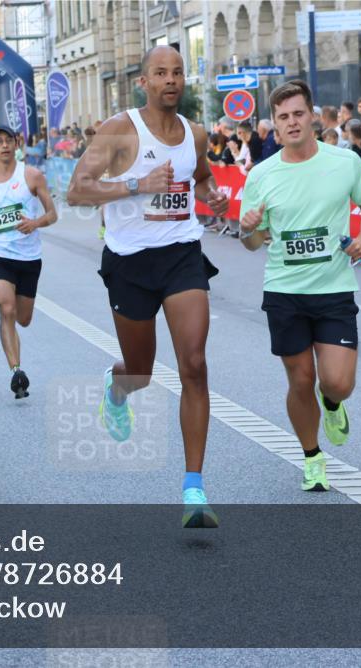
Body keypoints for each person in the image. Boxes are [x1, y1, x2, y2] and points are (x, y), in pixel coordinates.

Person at [67, 45, 229, 529]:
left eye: (177, 72)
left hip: (181, 255)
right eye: (160, 73)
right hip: (129, 262)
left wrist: (212, 197)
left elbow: (200, 178)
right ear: (144, 82)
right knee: (140, 370)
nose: (170, 80)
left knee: (194, 364)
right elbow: (77, 189)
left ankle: (193, 487)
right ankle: (117, 390)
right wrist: (138, 185)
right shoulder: (120, 129)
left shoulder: (195, 134)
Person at [238, 80, 361, 494]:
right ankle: (312, 456)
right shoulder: (262, 175)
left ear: (313, 117)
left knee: (337, 382)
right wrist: (246, 228)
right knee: (300, 380)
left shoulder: (345, 162)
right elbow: (251, 242)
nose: (292, 122)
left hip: (334, 289)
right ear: (276, 126)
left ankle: (333, 404)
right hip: (284, 291)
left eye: (298, 113)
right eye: (283, 117)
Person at [0, 126, 58, 399]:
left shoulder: (32, 175)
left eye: (9, 141)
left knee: (23, 318)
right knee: (6, 308)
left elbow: (53, 214)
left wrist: (35, 223)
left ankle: (15, 359)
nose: (4, 146)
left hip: (29, 257)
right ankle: (16, 372)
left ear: (16, 144)